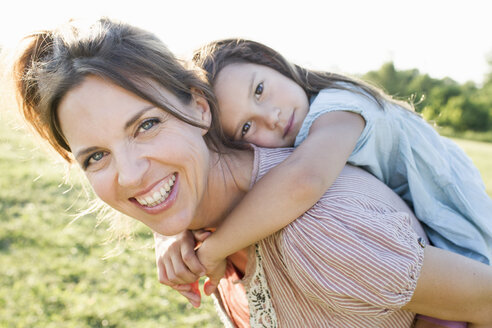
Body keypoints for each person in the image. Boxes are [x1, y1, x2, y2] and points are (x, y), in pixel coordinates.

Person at [12, 18, 492, 328]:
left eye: (147, 125)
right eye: (95, 157)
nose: (132, 175)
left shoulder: (320, 229)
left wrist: (208, 251)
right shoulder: (209, 223)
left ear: (200, 110)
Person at [156, 38, 492, 292]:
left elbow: (303, 181)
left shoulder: (339, 109)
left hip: (454, 224)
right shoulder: (298, 139)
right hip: (415, 232)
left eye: (260, 90)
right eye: (246, 128)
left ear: (269, 61)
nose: (271, 118)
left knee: (452, 310)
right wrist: (173, 233)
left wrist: (214, 250)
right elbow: (225, 183)